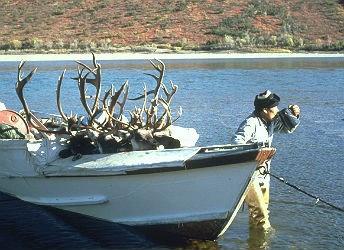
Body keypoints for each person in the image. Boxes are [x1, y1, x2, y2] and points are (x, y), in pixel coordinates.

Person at [231, 90, 300, 230]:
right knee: (261, 216)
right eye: (274, 107)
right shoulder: (250, 123)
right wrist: (253, 158)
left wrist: (295, 115)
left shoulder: (270, 123)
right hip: (249, 176)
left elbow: (287, 128)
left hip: (264, 175)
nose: (277, 110)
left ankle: (255, 241)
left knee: (262, 210)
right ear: (264, 110)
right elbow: (235, 144)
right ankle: (266, 240)